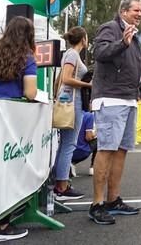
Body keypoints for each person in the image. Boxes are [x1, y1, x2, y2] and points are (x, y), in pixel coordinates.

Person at [89, 0, 141, 225]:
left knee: (121, 150)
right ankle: (97, 204)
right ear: (123, 11)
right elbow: (99, 53)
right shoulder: (110, 29)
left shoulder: (136, 38)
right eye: (136, 10)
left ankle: (113, 200)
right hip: (111, 100)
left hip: (129, 100)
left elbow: (137, 72)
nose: (140, 14)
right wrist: (121, 42)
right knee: (107, 149)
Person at [0, 16, 37, 242]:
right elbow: (31, 92)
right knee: (8, 171)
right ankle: (2, 225)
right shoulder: (27, 57)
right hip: (11, 119)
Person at [52, 26, 92, 201]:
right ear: (83, 39)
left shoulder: (70, 54)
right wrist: (88, 85)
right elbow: (67, 78)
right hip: (72, 102)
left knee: (66, 144)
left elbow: (60, 79)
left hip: (68, 100)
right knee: (69, 144)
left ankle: (60, 183)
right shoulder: (73, 54)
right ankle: (61, 186)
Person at [72, 110, 97, 176]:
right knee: (99, 139)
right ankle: (93, 166)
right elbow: (88, 137)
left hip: (67, 151)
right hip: (82, 151)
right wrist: (95, 134)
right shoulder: (89, 115)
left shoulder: (71, 112)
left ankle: (70, 164)